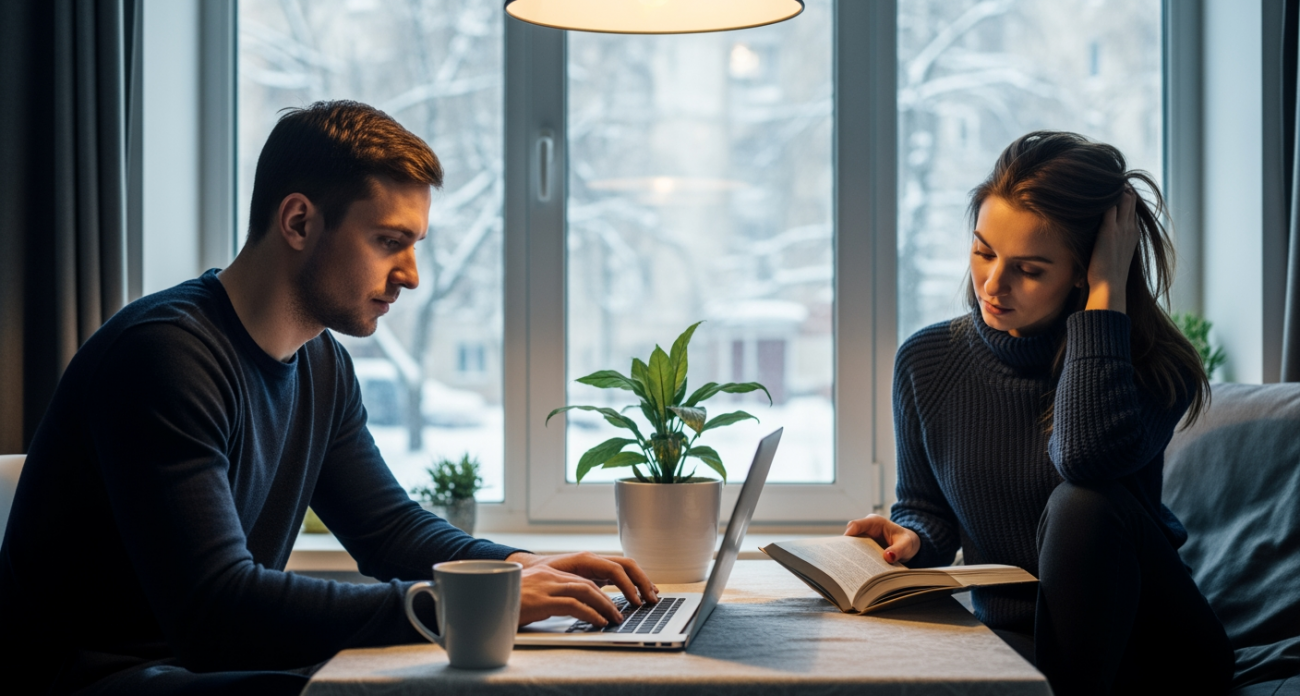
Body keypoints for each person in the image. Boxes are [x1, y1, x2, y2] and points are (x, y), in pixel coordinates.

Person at [0, 100, 657, 695]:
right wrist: (464, 604)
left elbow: (389, 530)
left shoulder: (321, 365)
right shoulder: (165, 356)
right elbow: (215, 611)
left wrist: (518, 568)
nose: (412, 276)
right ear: (298, 221)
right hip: (97, 683)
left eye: (414, 245)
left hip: (196, 668)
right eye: (388, 242)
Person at [845, 131, 1234, 695]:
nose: (992, 285)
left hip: (1155, 648)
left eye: (1028, 269)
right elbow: (928, 509)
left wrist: (1105, 296)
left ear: (1083, 270)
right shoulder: (926, 362)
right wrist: (909, 539)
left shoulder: (1152, 365)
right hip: (1019, 640)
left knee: (1083, 503)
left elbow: (1086, 459)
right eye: (983, 252)